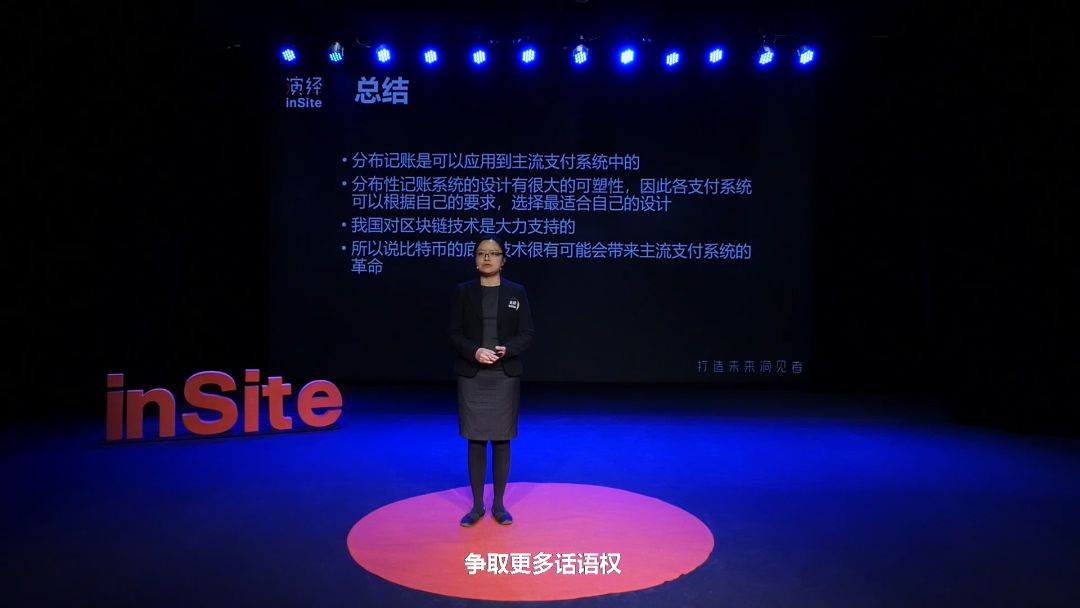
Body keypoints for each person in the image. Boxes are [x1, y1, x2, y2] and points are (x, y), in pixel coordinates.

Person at [449, 236, 534, 527]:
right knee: (475, 439)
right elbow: (454, 333)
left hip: (503, 375)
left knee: (501, 438)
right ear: (475, 259)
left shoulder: (516, 292)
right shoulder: (463, 291)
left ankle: (499, 505)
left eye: (493, 253)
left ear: (503, 260)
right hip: (473, 375)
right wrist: (475, 351)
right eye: (481, 253)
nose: (487, 258)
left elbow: (527, 333)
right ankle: (476, 507)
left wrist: (507, 349)